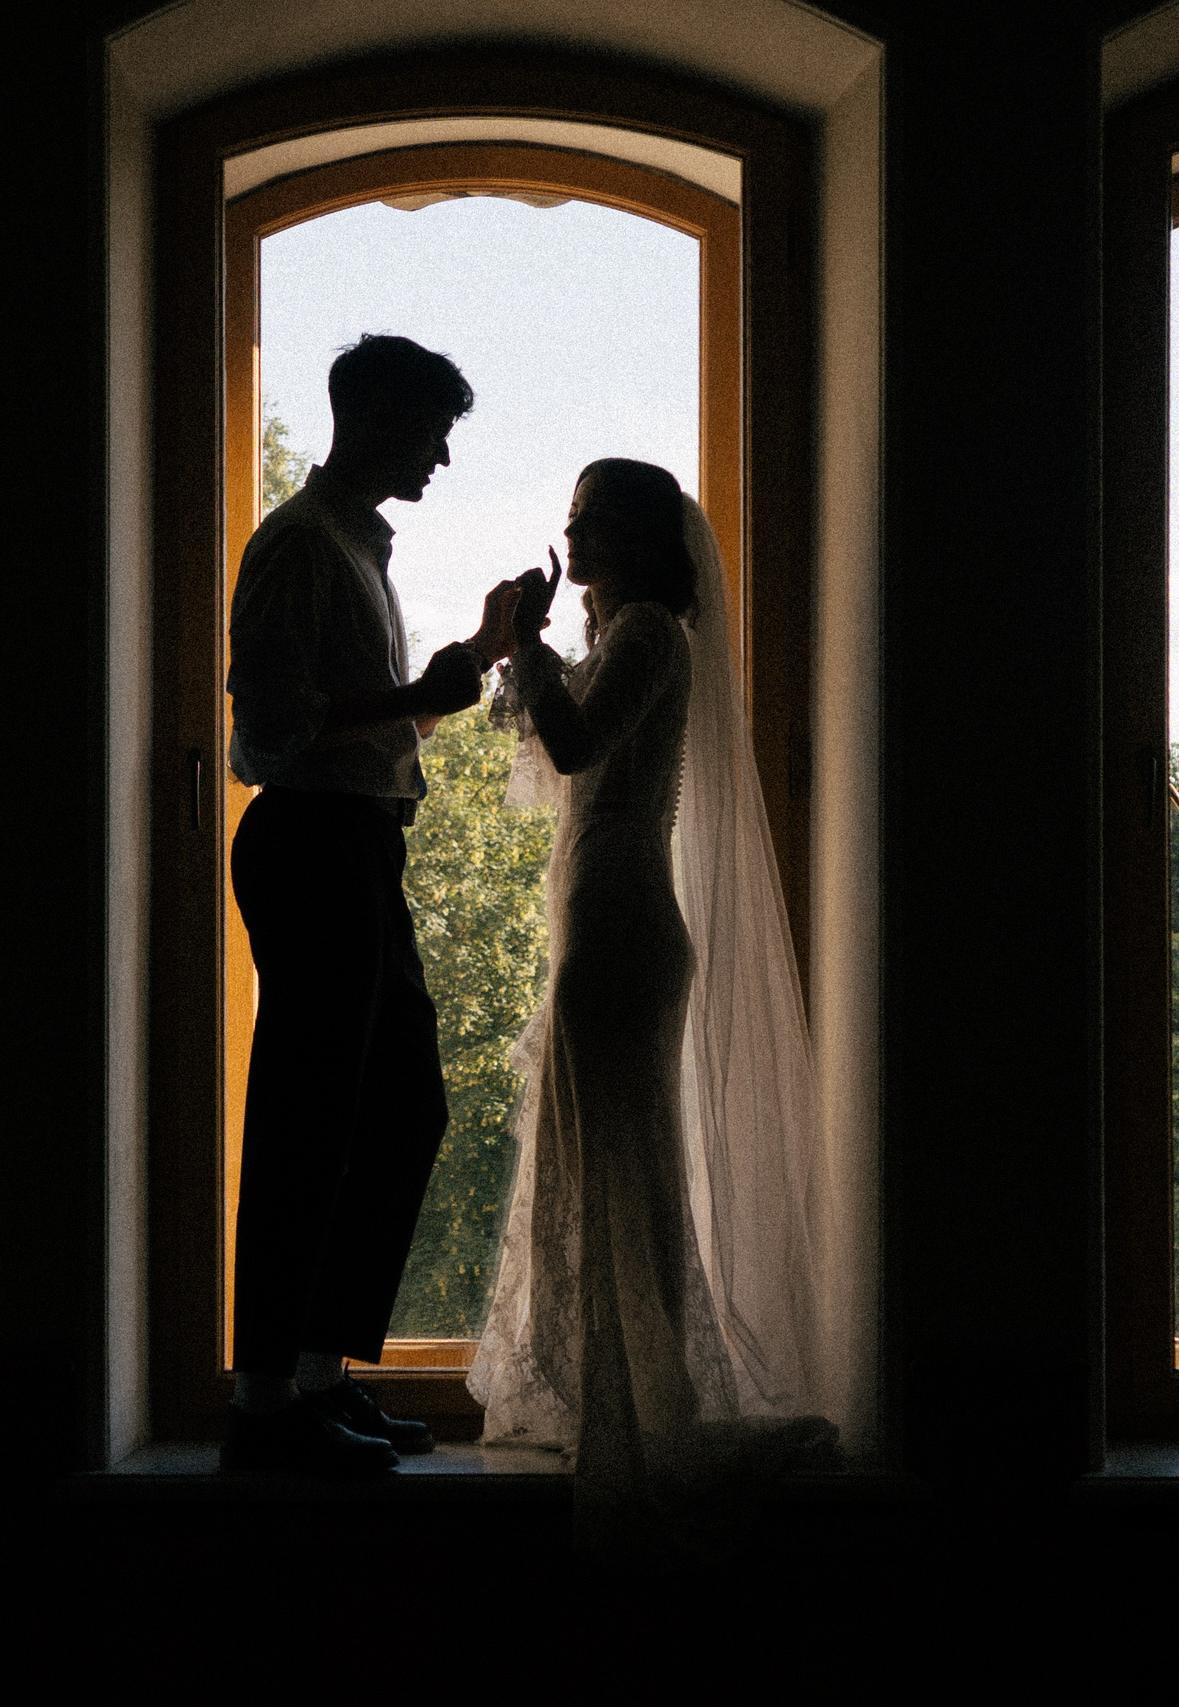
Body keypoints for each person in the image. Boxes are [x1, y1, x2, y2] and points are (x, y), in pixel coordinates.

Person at [471, 458, 837, 1556]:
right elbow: (527, 742)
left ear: (630, 536)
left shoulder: (648, 640)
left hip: (625, 925)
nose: (567, 534)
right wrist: (526, 646)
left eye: (585, 522)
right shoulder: (615, 639)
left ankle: (643, 1415)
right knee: (601, 1158)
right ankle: (611, 1397)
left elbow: (575, 747)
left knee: (624, 1161)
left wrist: (529, 648)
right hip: (604, 919)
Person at [220, 333, 522, 1476]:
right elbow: (269, 733)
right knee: (312, 1120)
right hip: (311, 847)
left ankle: (311, 1382)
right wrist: (418, 690)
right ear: (376, 417)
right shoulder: (301, 545)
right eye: (432, 429)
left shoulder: (350, 542)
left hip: (353, 847)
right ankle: (266, 1410)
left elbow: (366, 721)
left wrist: (467, 664)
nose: (444, 455)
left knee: (399, 1111)